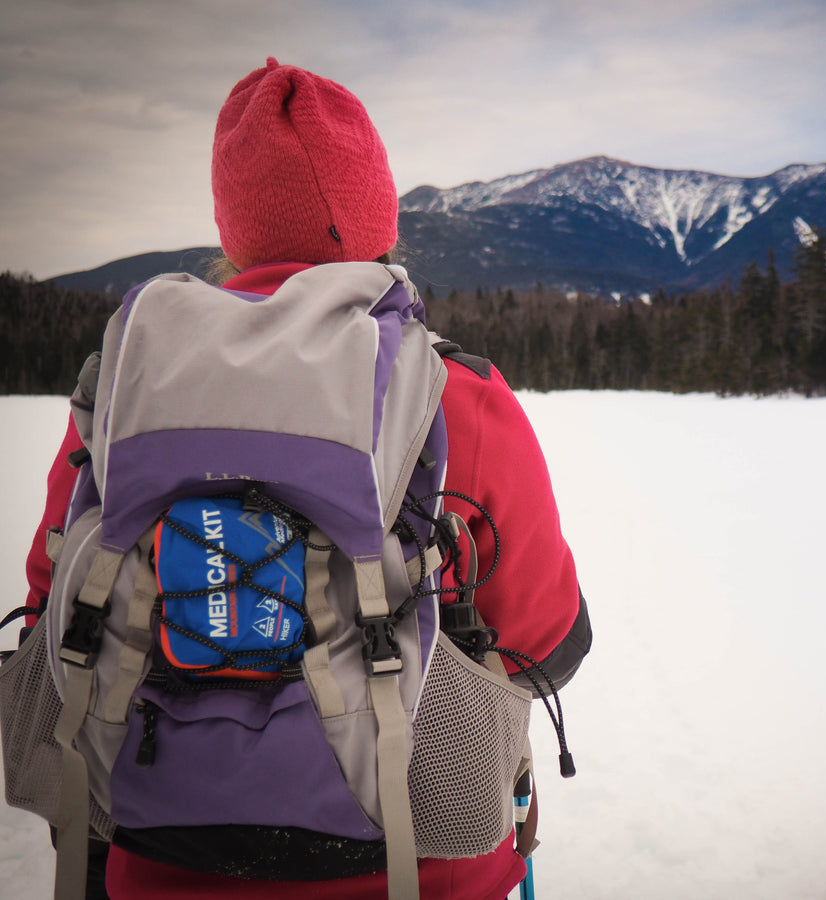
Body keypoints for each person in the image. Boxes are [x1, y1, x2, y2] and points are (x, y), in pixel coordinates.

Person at [24, 57, 591, 900]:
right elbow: (545, 640)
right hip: (424, 861)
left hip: (162, 857)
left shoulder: (125, 392)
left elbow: (52, 612)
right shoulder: (455, 396)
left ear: (234, 227)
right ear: (375, 214)